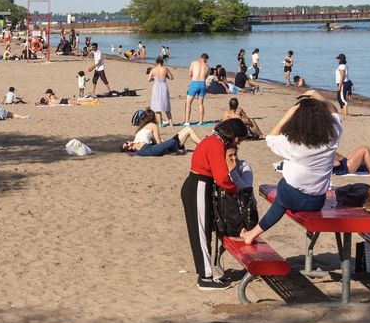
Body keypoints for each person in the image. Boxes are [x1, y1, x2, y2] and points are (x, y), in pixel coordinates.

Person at [240, 91, 343, 244]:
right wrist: (317, 95)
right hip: (318, 200)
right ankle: (252, 234)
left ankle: (251, 234)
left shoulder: (293, 144)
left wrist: (290, 112)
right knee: (284, 189)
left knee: (282, 188)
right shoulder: (332, 135)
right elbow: (334, 111)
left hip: (294, 197)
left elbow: (270, 138)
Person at [181, 119, 250, 289]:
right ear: (233, 135)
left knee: (203, 231)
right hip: (199, 185)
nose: (239, 142)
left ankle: (207, 273)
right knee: (201, 233)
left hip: (199, 185)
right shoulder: (216, 144)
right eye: (239, 138)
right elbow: (222, 177)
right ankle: (205, 278)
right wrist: (234, 190)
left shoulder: (212, 140)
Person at [122, 109, 200, 155]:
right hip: (149, 149)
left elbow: (154, 141)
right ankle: (203, 146)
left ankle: (178, 148)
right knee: (188, 130)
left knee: (188, 129)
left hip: (149, 148)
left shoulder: (140, 129)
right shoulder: (152, 125)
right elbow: (159, 143)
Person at [184, 53, 210, 125]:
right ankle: (201, 121)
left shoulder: (194, 63)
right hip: (202, 84)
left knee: (188, 103)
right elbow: (206, 77)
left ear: (200, 57)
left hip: (194, 83)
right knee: (200, 103)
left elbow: (190, 74)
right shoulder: (208, 67)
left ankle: (187, 121)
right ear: (206, 59)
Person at [147, 57, 173, 124]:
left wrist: (154, 79)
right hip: (163, 86)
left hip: (156, 86)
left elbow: (148, 79)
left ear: (156, 62)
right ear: (163, 62)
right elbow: (171, 77)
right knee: (166, 106)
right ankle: (171, 123)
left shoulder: (153, 69)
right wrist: (165, 76)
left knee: (157, 108)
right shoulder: (165, 69)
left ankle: (160, 125)